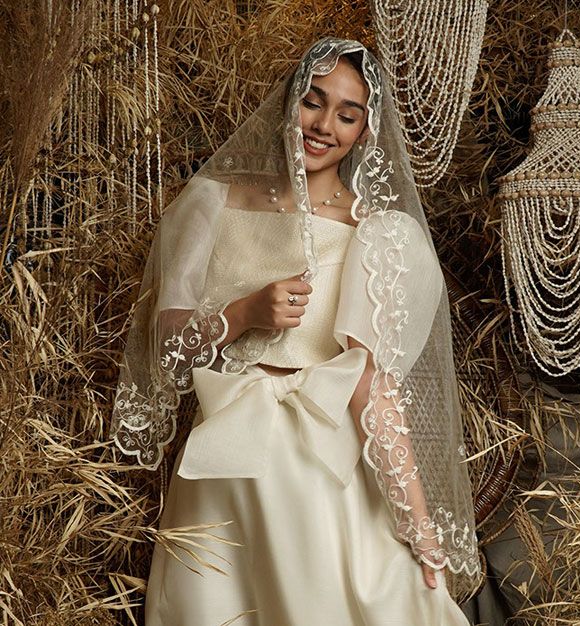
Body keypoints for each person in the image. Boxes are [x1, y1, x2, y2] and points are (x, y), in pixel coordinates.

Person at [110, 38, 481, 625]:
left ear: (365, 131)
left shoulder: (377, 231)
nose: (324, 124)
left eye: (347, 114)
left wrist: (418, 522)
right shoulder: (210, 203)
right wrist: (243, 314)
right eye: (313, 100)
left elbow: (370, 387)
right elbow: (165, 343)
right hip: (225, 452)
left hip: (317, 461)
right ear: (288, 101)